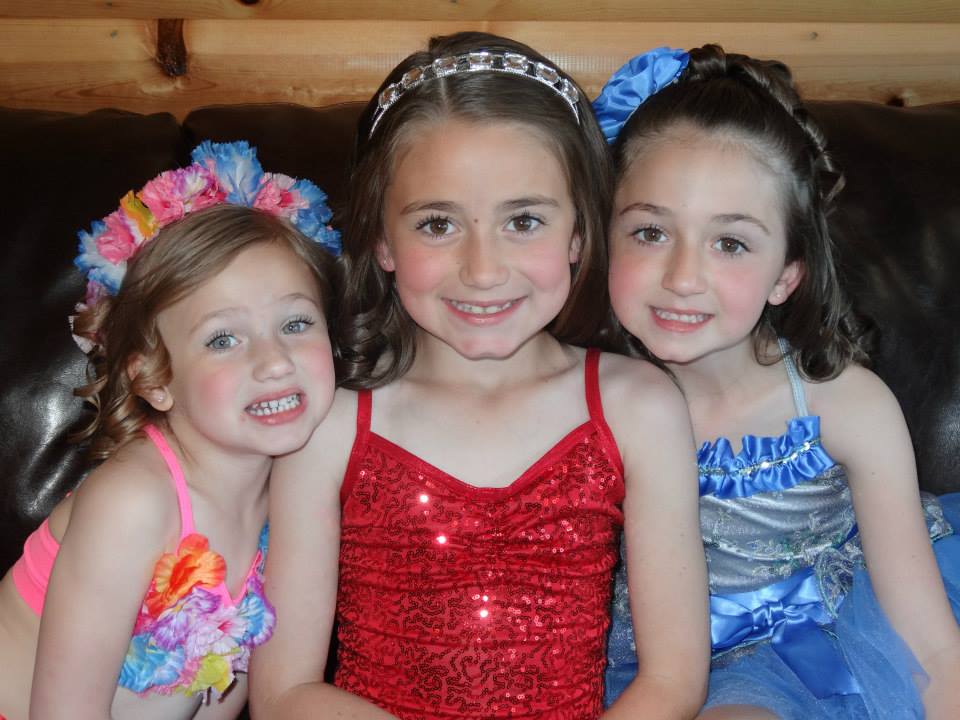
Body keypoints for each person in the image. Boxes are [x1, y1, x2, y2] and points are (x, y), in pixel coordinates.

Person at [250, 31, 709, 720]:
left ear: (579, 233)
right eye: (438, 225)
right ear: (382, 241)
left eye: (523, 220)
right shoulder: (330, 425)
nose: (483, 270)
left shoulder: (637, 408)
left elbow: (672, 680)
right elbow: (284, 691)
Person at [595, 44, 960, 719]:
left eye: (730, 243)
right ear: (602, 237)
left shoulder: (847, 406)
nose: (682, 277)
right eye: (650, 232)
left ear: (787, 274)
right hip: (658, 662)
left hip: (838, 634)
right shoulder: (582, 408)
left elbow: (934, 648)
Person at [0, 141, 341, 720]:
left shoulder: (294, 492)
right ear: (155, 380)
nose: (275, 362)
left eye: (295, 323)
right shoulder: (132, 503)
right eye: (223, 339)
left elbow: (221, 689)